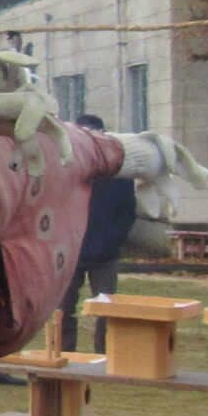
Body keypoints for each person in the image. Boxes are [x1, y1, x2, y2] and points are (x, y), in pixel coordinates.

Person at [61, 113, 135, 357]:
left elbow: (127, 213)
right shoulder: (65, 171)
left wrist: (113, 242)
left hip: (105, 256)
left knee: (106, 309)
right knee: (63, 308)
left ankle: (105, 354)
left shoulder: (119, 175)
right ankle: (64, 352)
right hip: (70, 254)